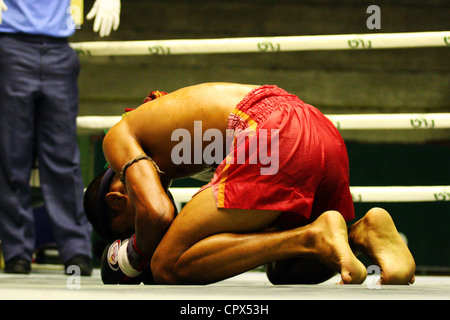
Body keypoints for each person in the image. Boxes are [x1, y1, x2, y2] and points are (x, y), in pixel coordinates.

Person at [84, 83, 415, 285]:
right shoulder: (167, 142)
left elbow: (156, 215)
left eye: (128, 229)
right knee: (284, 272)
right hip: (318, 129)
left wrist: (132, 255)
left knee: (167, 264)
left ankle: (314, 235)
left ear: (116, 199)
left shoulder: (117, 138)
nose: (138, 234)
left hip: (271, 130)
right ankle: (362, 233)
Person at [0, 0, 121, 275]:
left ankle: (75, 250)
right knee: (12, 155)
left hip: (58, 50)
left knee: (63, 159)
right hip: (11, 44)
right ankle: (16, 250)